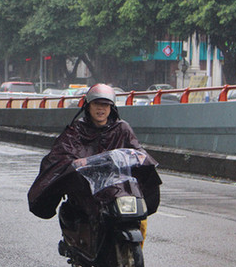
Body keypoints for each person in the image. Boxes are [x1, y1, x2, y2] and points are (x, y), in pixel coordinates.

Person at [27, 84, 162, 239]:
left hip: (117, 186)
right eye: (97, 104)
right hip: (87, 186)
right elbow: (60, 153)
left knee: (139, 216)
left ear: (111, 108)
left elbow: (137, 150)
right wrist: (77, 163)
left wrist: (139, 159)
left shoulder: (122, 128)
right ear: (88, 106)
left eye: (105, 105)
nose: (101, 109)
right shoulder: (76, 130)